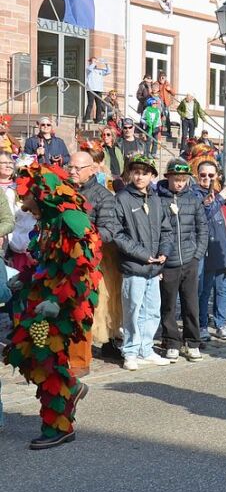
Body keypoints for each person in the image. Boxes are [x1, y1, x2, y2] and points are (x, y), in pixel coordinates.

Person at [4, 164, 100, 449]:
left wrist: (58, 303)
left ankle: (58, 426)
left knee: (47, 357)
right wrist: (24, 278)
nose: (22, 204)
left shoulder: (69, 220)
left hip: (65, 303)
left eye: (25, 197)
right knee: (28, 353)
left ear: (40, 193)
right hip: (42, 298)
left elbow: (83, 269)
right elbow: (45, 263)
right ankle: (72, 388)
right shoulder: (45, 222)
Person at [111, 153, 173, 370]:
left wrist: (164, 252)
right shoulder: (122, 199)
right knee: (133, 310)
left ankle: (146, 349)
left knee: (152, 309)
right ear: (130, 174)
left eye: (144, 173)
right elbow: (117, 234)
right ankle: (130, 351)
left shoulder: (156, 200)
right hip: (135, 266)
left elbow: (166, 230)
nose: (139, 177)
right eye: (136, 172)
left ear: (152, 176)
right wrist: (141, 254)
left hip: (154, 267)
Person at [66, 151, 116, 375]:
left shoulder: (103, 196)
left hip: (89, 262)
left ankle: (79, 361)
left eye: (78, 168)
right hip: (62, 259)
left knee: (81, 311)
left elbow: (109, 230)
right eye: (71, 167)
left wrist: (85, 237)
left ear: (92, 170)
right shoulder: (64, 191)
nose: (73, 171)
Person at [156, 159, 209, 362]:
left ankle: (192, 342)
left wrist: (197, 254)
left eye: (183, 180)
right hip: (168, 262)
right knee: (168, 304)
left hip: (189, 259)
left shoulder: (193, 199)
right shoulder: (158, 199)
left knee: (191, 303)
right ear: (168, 178)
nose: (179, 184)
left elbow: (202, 228)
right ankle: (171, 341)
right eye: (176, 179)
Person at [196, 161, 226, 342]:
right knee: (204, 291)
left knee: (222, 290)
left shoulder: (220, 194)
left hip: (223, 248)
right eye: (203, 175)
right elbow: (202, 217)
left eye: (211, 176)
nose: (207, 179)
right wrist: (219, 199)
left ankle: (221, 323)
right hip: (206, 250)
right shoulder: (195, 194)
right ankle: (202, 325)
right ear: (197, 176)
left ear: (217, 176)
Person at [85, 57, 111, 122]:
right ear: (90, 62)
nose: (95, 63)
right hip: (91, 89)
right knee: (90, 104)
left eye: (95, 61)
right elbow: (90, 68)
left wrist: (106, 64)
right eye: (93, 61)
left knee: (99, 105)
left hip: (99, 89)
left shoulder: (100, 70)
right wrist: (93, 62)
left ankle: (98, 119)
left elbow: (109, 71)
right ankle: (86, 118)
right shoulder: (88, 69)